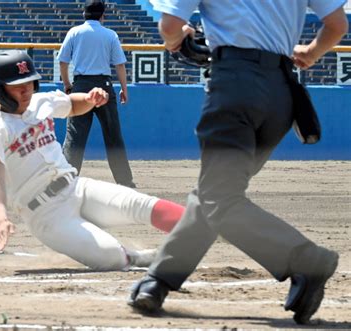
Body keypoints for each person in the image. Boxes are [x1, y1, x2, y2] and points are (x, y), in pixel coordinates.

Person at [128, 0, 348, 325]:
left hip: (235, 86)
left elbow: (170, 26)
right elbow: (337, 25)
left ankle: (306, 259)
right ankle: (158, 282)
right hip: (281, 95)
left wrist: (177, 40)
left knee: (219, 197)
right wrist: (313, 53)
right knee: (215, 191)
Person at [0, 50, 185, 271]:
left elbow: (72, 105)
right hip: (46, 214)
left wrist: (89, 99)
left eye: (29, 82)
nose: (26, 90)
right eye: (17, 85)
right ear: (0, 88)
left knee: (141, 204)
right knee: (110, 256)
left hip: (77, 188)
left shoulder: (40, 102)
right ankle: (133, 257)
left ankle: (198, 228)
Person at [57, 0, 136, 188]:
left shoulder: (74, 32)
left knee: (75, 136)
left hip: (81, 84)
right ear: (103, 16)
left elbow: (63, 61)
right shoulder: (110, 34)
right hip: (104, 86)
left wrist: (68, 85)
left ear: (84, 14)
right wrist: (124, 89)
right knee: (113, 135)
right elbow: (119, 65)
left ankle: (66, 180)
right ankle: (125, 182)